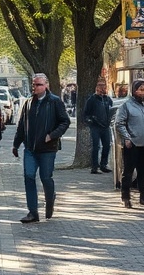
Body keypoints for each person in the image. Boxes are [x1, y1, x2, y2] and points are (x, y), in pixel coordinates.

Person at [12, 73, 71, 223]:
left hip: (47, 148)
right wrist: (16, 144)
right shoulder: (28, 103)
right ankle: (33, 212)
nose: (35, 88)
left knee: (45, 177)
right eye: (33, 85)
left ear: (46, 86)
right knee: (29, 177)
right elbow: (21, 126)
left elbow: (65, 121)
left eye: (38, 85)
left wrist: (52, 135)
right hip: (30, 148)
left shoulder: (55, 102)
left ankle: (50, 199)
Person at [114, 79, 144, 209]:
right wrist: (127, 138)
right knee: (128, 172)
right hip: (131, 144)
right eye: (142, 90)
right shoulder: (126, 106)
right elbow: (119, 124)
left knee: (143, 171)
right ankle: (125, 197)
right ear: (135, 91)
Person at [81, 80, 113, 174]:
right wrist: (90, 120)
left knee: (107, 145)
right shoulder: (92, 99)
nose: (103, 87)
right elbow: (86, 114)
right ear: (96, 87)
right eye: (100, 85)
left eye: (104, 85)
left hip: (105, 126)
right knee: (96, 146)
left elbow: (111, 110)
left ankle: (104, 164)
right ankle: (94, 167)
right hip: (95, 126)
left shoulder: (107, 99)